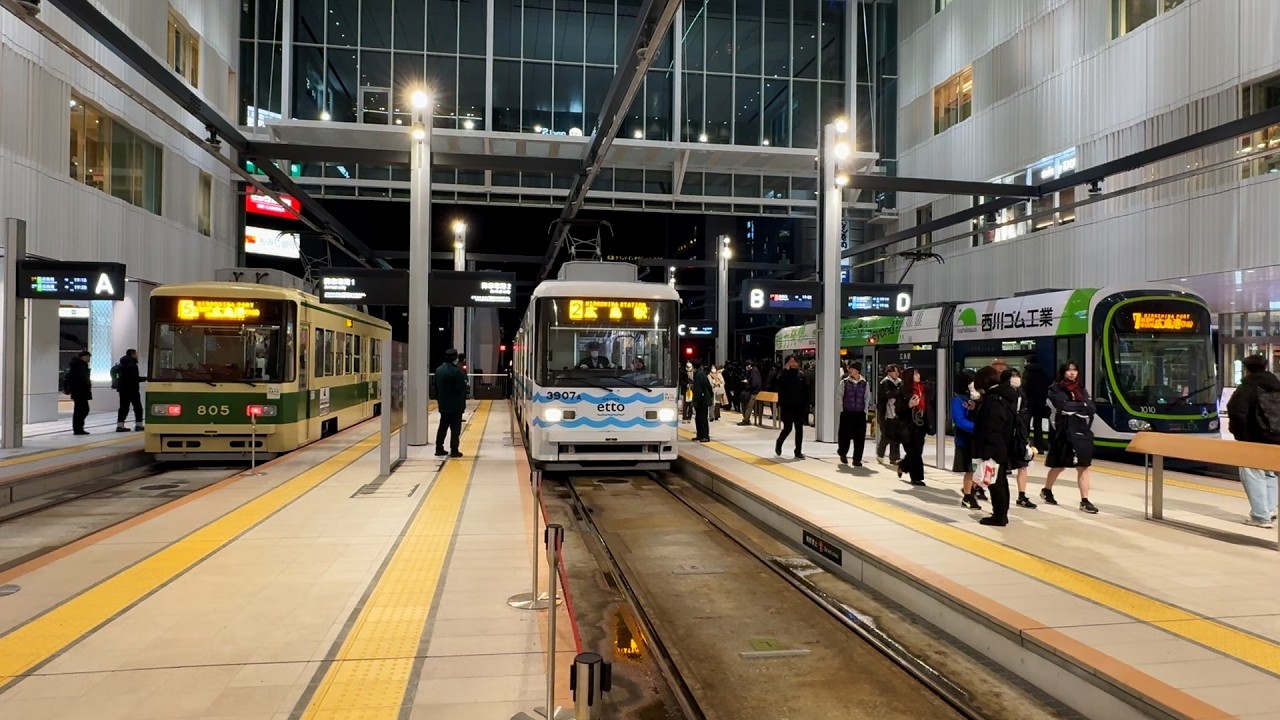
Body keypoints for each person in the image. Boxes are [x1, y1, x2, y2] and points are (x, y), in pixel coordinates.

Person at [1226, 354, 1280, 528]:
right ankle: (1270, 510)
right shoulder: (1276, 386)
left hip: (1253, 439)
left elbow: (1236, 411)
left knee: (1252, 473)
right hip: (1275, 437)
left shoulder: (1247, 387)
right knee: (1270, 473)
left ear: (1247, 369)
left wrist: (1241, 435)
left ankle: (1260, 516)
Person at [1042, 361, 1099, 514]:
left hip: (1081, 431)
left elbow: (1091, 408)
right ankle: (1047, 490)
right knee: (1059, 466)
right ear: (1063, 372)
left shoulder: (1081, 388)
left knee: (1083, 466)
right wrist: (1081, 406)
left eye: (1074, 370)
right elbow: (1062, 407)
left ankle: (1085, 500)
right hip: (1062, 432)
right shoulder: (1054, 389)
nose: (1072, 373)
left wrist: (1076, 406)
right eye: (1069, 370)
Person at [972, 366, 1017, 526]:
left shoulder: (993, 400)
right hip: (1002, 445)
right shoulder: (1003, 396)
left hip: (994, 448)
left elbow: (992, 427)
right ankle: (1001, 513)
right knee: (1000, 481)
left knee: (995, 484)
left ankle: (999, 516)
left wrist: (987, 452)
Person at [1001, 368, 1038, 509]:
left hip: (1019, 434)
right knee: (998, 466)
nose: (1016, 379)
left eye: (1018, 376)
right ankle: (977, 488)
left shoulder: (1021, 393)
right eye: (1013, 376)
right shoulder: (999, 395)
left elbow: (1024, 411)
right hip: (1004, 435)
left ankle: (1022, 496)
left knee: (1023, 464)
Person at [894, 367, 931, 486]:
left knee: (917, 451)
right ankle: (916, 478)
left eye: (918, 373)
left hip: (921, 425)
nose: (918, 375)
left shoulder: (923, 389)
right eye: (915, 374)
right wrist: (909, 405)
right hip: (908, 426)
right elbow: (898, 410)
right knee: (913, 452)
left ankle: (903, 466)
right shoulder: (903, 391)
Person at [952, 372, 982, 509]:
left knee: (977, 467)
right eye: (970, 381)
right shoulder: (958, 400)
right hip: (966, 439)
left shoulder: (979, 397)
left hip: (978, 439)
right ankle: (968, 495)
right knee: (970, 468)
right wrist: (978, 428)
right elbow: (959, 420)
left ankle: (971, 489)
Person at [434, 349, 467, 458]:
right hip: (456, 406)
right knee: (455, 428)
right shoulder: (456, 371)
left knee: (442, 426)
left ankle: (439, 448)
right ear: (455, 358)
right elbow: (460, 388)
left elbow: (435, 387)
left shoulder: (439, 370)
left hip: (443, 405)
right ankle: (454, 450)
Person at [773, 355, 808, 459]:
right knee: (788, 428)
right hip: (787, 407)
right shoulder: (783, 374)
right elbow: (779, 385)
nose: (793, 363)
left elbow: (806, 390)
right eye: (791, 361)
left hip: (799, 407)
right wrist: (785, 371)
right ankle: (779, 443)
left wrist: (806, 404)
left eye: (795, 361)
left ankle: (798, 451)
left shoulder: (801, 375)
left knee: (799, 429)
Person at [837, 362, 869, 466]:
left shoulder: (864, 383)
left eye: (852, 369)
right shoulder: (844, 382)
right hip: (847, 412)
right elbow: (839, 396)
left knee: (860, 437)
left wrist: (865, 411)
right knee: (844, 435)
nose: (850, 370)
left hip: (860, 413)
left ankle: (857, 459)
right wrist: (842, 409)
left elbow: (866, 397)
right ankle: (842, 452)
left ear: (857, 370)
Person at [876, 365, 903, 465]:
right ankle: (880, 454)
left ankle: (894, 457)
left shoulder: (900, 382)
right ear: (889, 372)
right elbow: (888, 395)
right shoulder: (884, 383)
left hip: (897, 412)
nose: (897, 373)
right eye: (895, 371)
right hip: (886, 413)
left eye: (897, 371)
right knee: (886, 435)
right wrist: (898, 391)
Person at [113, 349, 145, 432]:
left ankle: (120, 426)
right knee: (138, 407)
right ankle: (139, 425)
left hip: (122, 389)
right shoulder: (132, 364)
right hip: (132, 389)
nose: (137, 355)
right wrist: (145, 378)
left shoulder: (122, 363)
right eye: (136, 354)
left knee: (123, 407)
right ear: (132, 354)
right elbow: (133, 378)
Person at [1023, 360, 1052, 451]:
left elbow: (1025, 387)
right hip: (1040, 403)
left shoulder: (1027, 372)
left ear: (1027, 362)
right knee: (1038, 425)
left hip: (1028, 403)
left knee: (1025, 425)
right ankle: (1039, 446)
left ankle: (1024, 445)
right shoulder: (1043, 373)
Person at [64, 350, 93, 436]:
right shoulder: (79, 366)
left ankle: (79, 428)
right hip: (79, 392)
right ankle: (78, 429)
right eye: (87, 357)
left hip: (80, 392)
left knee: (82, 410)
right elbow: (80, 379)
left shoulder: (80, 365)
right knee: (82, 410)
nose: (89, 358)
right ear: (83, 357)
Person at [692, 361, 713, 442]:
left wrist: (698, 399)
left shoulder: (699, 374)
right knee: (699, 418)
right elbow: (708, 387)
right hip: (703, 399)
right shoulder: (701, 373)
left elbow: (698, 389)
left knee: (702, 418)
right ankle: (700, 435)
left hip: (701, 400)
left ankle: (704, 436)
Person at [738, 360, 763, 426]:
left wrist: (747, 383)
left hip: (753, 392)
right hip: (751, 391)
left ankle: (746, 420)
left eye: (746, 366)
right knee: (745, 405)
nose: (745, 367)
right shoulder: (752, 371)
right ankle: (746, 419)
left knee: (749, 406)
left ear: (749, 365)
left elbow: (755, 384)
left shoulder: (754, 372)